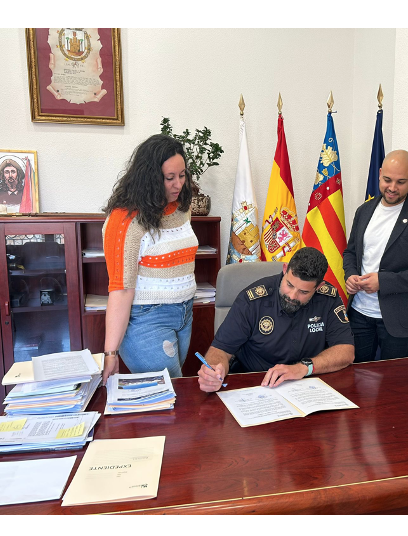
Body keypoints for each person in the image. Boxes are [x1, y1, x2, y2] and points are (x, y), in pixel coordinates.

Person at [101, 134, 197, 383]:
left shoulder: (182, 208)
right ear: (150, 177)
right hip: (147, 319)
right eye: (169, 177)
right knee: (171, 392)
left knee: (174, 389)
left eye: (182, 175)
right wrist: (110, 353)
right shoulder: (125, 220)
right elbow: (121, 289)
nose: (178, 184)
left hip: (185, 314)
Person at [198, 247, 354, 392]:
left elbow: (346, 351)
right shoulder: (253, 300)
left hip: (308, 383)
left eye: (303, 292)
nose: (292, 296)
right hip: (255, 384)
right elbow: (221, 349)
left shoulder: (328, 298)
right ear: (285, 269)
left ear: (318, 287)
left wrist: (304, 368)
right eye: (289, 285)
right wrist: (213, 371)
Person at [343, 149, 408, 362]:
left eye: (401, 182)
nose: (392, 188)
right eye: (387, 180)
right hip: (358, 313)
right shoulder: (364, 211)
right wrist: (350, 274)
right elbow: (351, 252)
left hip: (399, 319)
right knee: (355, 375)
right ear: (380, 174)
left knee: (393, 380)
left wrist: (383, 282)